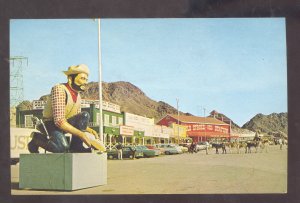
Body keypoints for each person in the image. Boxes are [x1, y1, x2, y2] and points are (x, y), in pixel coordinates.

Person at [27, 64, 101, 153]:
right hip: (50, 123)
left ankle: (76, 147)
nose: (85, 82)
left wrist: (90, 130)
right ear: (70, 79)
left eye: (86, 80)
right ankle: (36, 139)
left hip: (64, 123)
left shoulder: (78, 96)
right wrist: (81, 134)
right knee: (61, 148)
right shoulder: (59, 89)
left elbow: (77, 121)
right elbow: (59, 121)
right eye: (82, 78)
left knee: (84, 115)